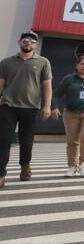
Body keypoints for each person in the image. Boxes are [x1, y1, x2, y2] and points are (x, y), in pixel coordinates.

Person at [0, 31, 52, 188]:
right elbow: (1, 83)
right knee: (3, 140)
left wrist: (47, 106)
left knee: (26, 141)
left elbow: (47, 86)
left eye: (31, 41)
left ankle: (25, 166)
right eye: (25, 40)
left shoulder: (43, 62)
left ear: (35, 45)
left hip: (30, 107)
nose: (28, 43)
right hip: (8, 105)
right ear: (19, 43)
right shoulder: (6, 62)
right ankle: (1, 174)